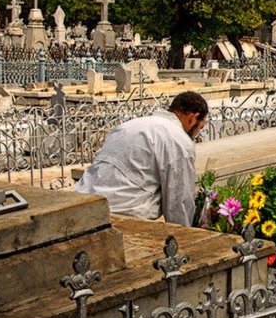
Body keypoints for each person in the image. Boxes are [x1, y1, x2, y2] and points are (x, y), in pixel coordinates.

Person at [75, 91, 208, 226]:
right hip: (120, 214)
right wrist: (183, 237)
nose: (197, 134)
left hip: (82, 202)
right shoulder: (178, 139)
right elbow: (179, 200)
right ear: (193, 118)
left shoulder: (129, 125)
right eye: (200, 127)